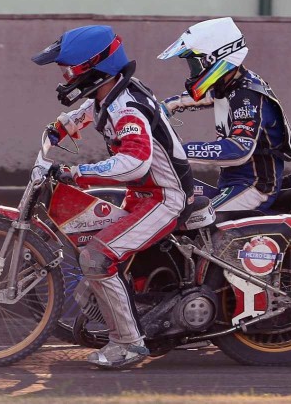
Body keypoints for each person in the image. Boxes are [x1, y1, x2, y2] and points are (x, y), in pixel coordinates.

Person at [32, 25, 193, 369]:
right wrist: (52, 137)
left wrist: (76, 173)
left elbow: (136, 162)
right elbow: (70, 121)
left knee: (96, 258)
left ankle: (129, 344)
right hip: (142, 197)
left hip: (165, 199)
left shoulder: (127, 107)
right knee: (89, 239)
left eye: (68, 70)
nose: (64, 77)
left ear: (94, 68)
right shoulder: (106, 96)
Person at [158, 17, 291, 212]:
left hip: (254, 187)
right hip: (231, 182)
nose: (192, 70)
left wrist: (176, 151)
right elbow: (197, 98)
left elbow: (238, 149)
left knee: (201, 217)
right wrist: (160, 110)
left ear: (213, 59)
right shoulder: (228, 85)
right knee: (175, 195)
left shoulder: (248, 94)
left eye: (195, 62)